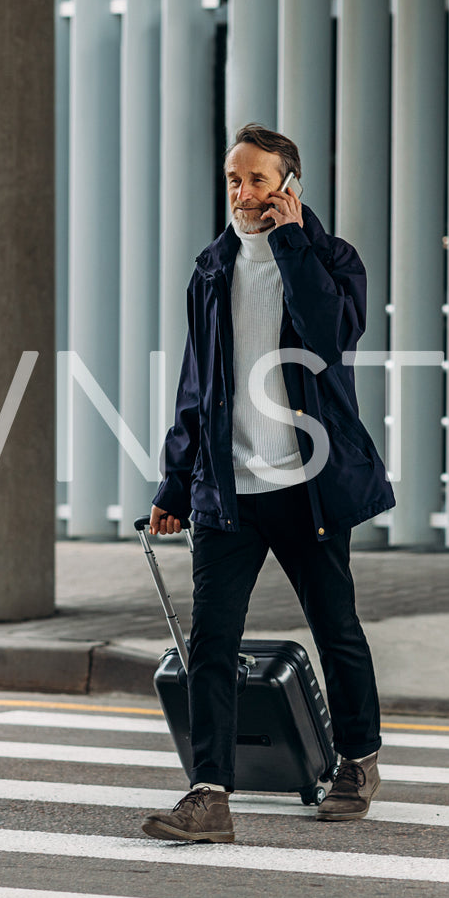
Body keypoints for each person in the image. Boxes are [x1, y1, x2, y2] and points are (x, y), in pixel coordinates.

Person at [141, 124, 396, 844]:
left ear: (290, 186)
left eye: (258, 180)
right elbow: (199, 383)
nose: (243, 193)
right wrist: (173, 483)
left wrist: (289, 246)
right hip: (229, 492)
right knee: (211, 643)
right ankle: (209, 792)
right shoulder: (212, 269)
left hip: (308, 486)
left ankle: (356, 759)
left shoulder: (331, 259)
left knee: (334, 627)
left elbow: (330, 337)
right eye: (234, 180)